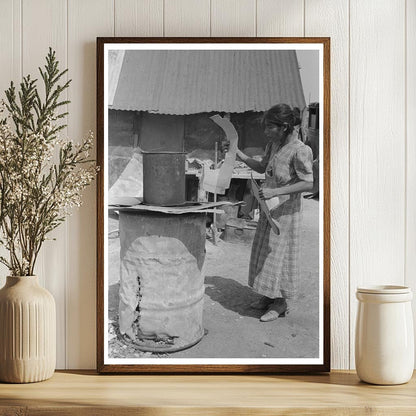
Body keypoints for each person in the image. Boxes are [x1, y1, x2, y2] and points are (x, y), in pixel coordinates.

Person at [224, 104, 314, 322]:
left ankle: (281, 303)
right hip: (269, 208)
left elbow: (308, 183)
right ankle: (268, 296)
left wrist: (276, 190)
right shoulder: (273, 145)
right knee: (265, 252)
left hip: (286, 212)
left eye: (269, 128)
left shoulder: (301, 150)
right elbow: (263, 168)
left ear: (284, 127)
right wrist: (239, 155)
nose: (265, 132)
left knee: (279, 255)